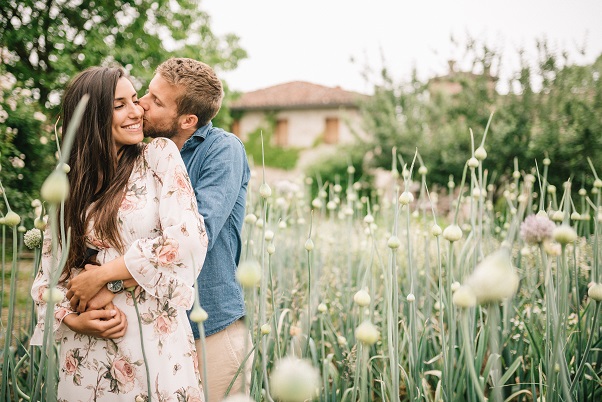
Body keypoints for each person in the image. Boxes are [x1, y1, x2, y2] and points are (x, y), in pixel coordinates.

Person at [31, 66, 208, 401]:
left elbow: (187, 239)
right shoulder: (67, 182)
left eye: (135, 100)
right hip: (86, 355)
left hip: (153, 345)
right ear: (93, 117)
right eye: (119, 105)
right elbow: (48, 278)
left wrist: (104, 278)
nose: (136, 111)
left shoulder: (158, 156)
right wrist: (72, 320)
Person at [139, 58, 252, 401]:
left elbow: (194, 236)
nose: (141, 103)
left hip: (209, 325)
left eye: (156, 101)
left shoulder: (222, 150)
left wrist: (107, 275)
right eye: (147, 92)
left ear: (187, 120)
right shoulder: (142, 152)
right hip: (154, 325)